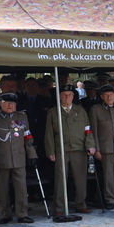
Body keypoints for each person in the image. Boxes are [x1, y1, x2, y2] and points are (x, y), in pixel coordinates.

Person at [45, 85, 96, 215]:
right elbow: (49, 134)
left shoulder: (81, 110)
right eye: (64, 94)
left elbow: (88, 129)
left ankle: (81, 204)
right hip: (61, 149)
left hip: (79, 148)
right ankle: (59, 207)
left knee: (80, 178)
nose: (67, 97)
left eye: (69, 94)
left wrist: (90, 144)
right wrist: (50, 151)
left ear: (73, 96)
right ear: (60, 96)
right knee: (60, 179)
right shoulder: (53, 112)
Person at [0, 93, 37, 223]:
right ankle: (6, 214)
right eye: (7, 103)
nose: (10, 105)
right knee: (3, 188)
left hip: (18, 157)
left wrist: (32, 154)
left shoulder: (22, 117)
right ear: (0, 103)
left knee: (21, 186)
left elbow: (28, 136)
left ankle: (22, 213)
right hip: (1, 158)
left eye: (13, 103)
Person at [89, 84, 114, 209]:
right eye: (106, 95)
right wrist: (97, 149)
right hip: (105, 147)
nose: (109, 97)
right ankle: (110, 200)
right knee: (108, 175)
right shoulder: (96, 110)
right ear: (102, 97)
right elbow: (93, 131)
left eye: (111, 94)